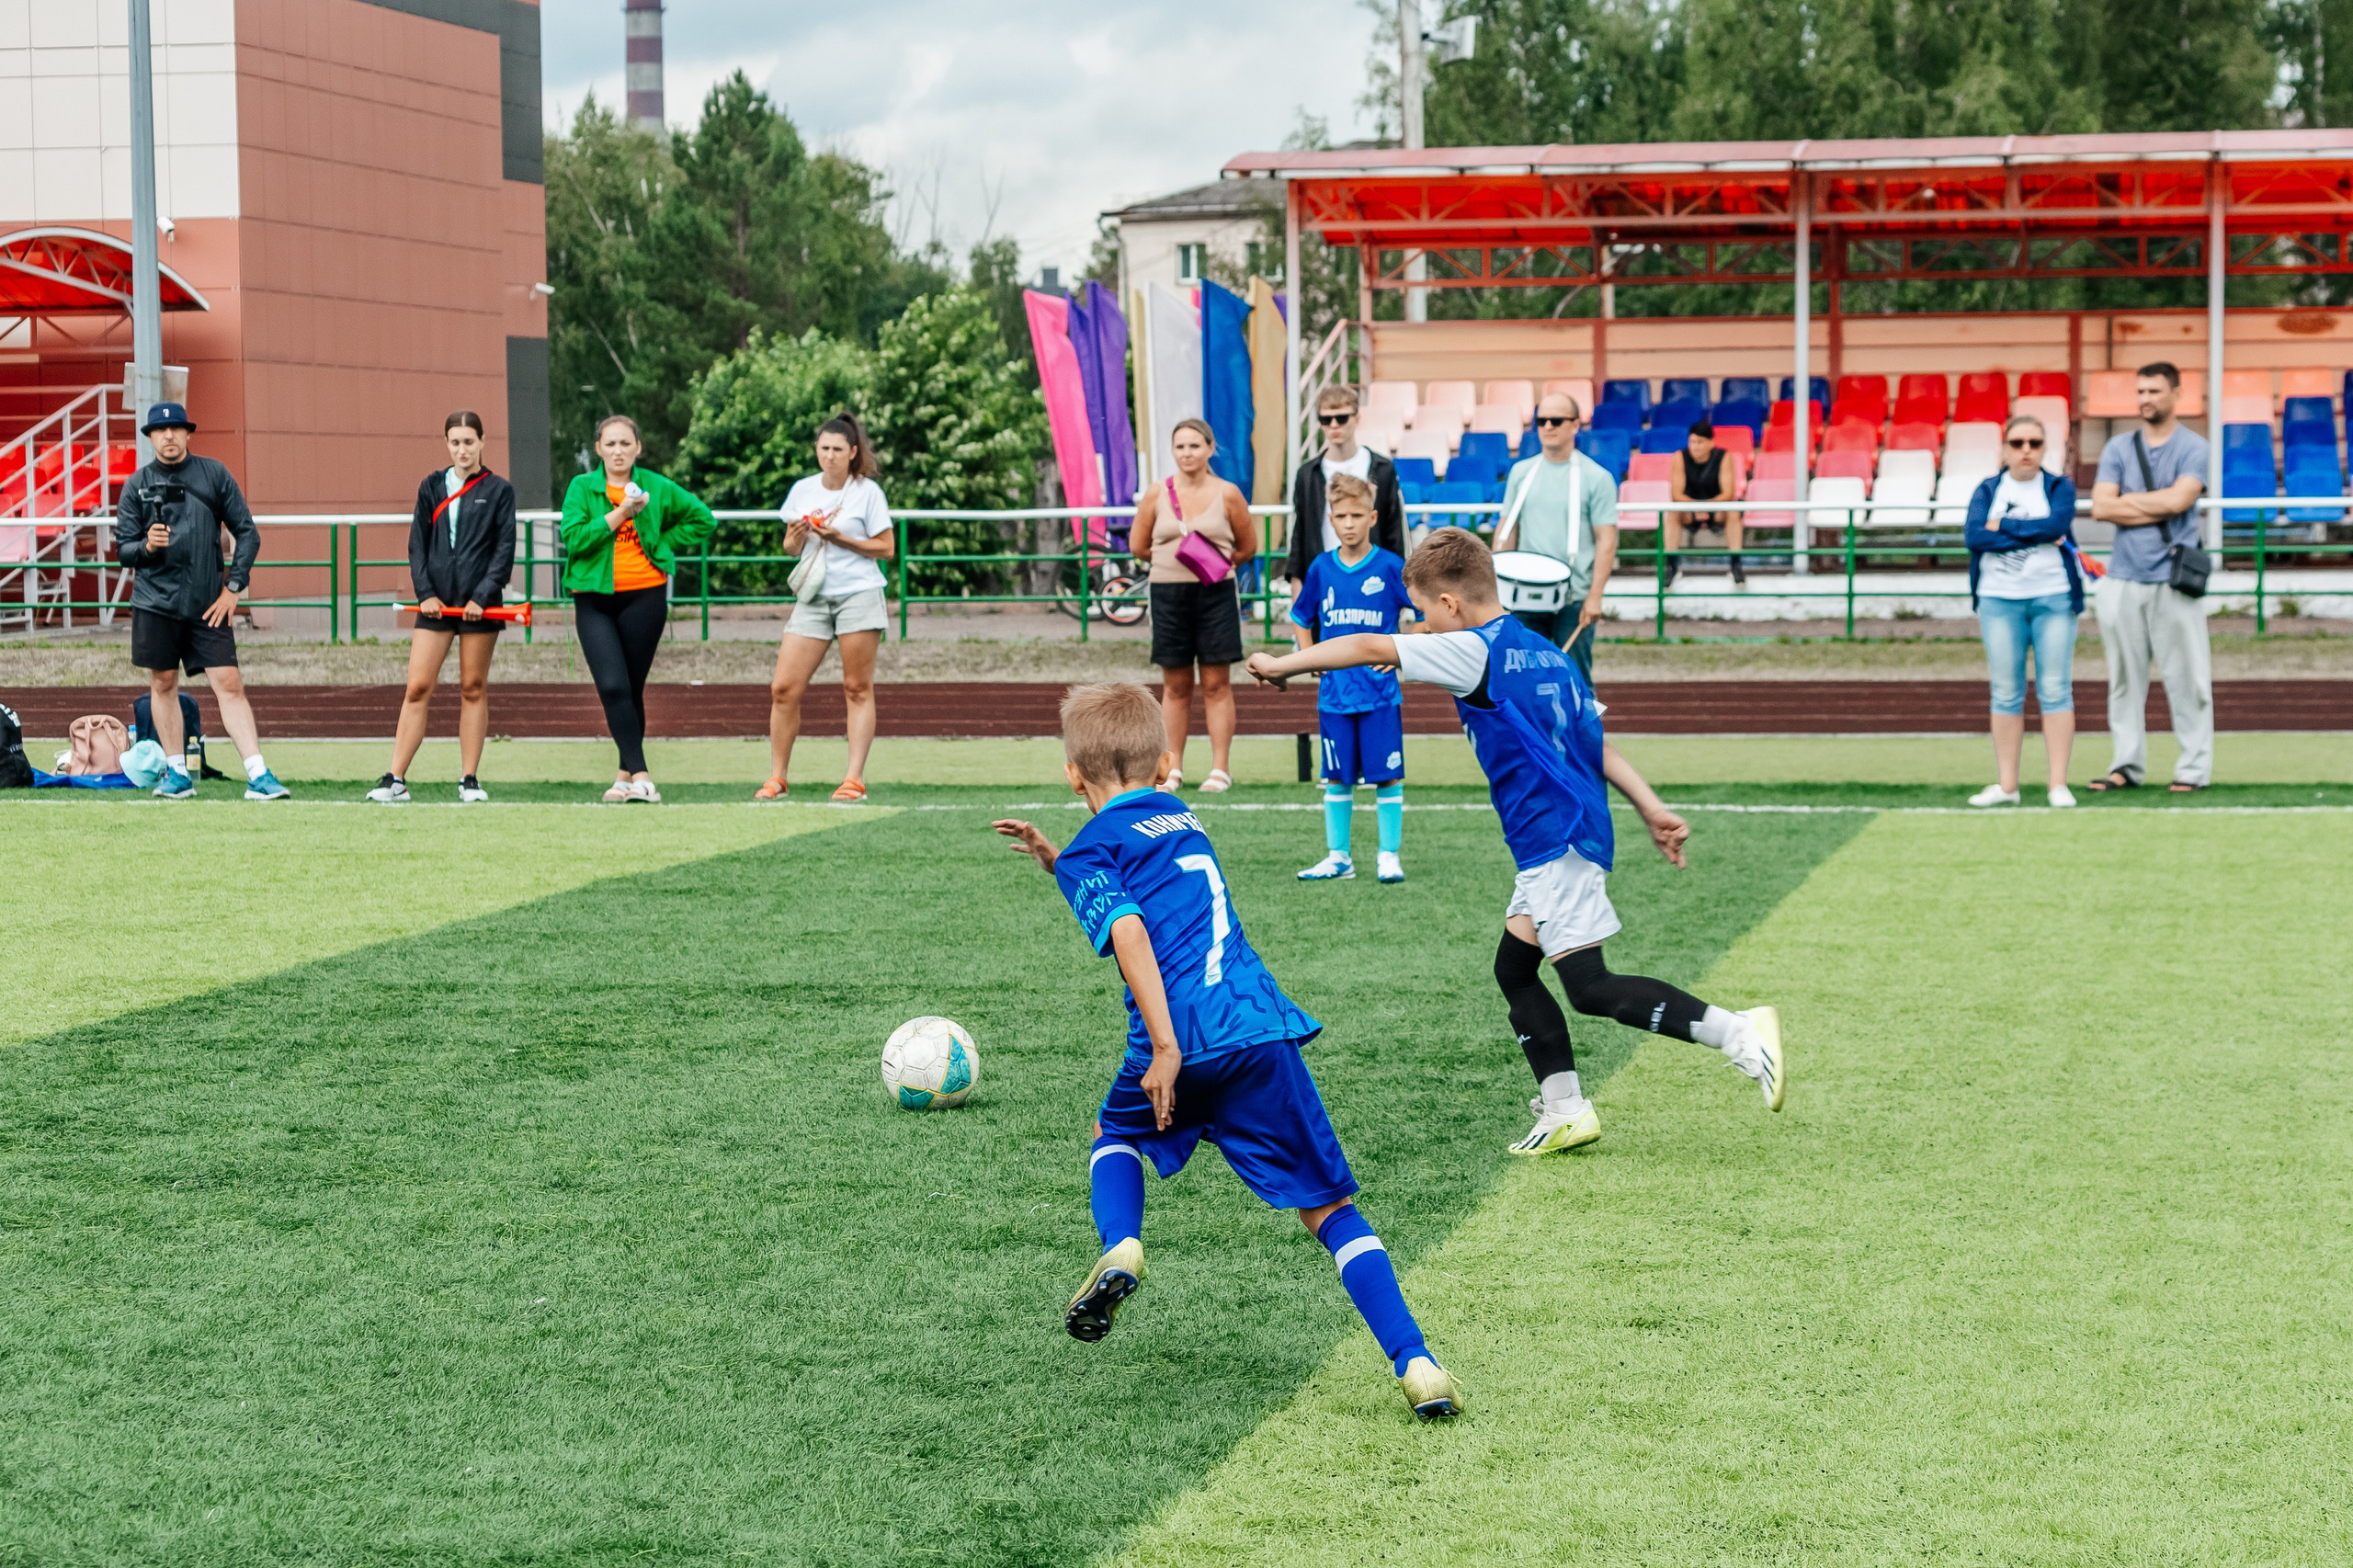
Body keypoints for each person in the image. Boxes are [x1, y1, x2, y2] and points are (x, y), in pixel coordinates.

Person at [991, 682, 1461, 1420]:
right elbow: (1141, 876)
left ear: (1071, 777)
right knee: (1330, 1210)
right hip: (1256, 1028)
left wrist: (1168, 1047)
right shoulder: (1184, 818)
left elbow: (1130, 929)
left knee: (1113, 1135)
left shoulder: (1096, 849)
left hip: (1178, 1040)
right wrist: (1057, 860)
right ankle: (1418, 1363)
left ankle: (1122, 1246)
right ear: (1167, 762)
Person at [1245, 528, 1783, 1156]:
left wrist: (1281, 664)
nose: (1422, 624)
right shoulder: (1546, 653)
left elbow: (1367, 643)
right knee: (1514, 968)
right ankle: (1564, 1109)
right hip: (1563, 832)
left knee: (1589, 986)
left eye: (1424, 611)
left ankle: (1739, 1032)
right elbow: (1595, 741)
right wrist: (1652, 807)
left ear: (1449, 604)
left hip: (1555, 836)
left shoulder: (1473, 651)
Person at [110, 401, 288, 801]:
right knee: (163, 682)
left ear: (188, 433)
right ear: (150, 437)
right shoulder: (136, 485)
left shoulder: (214, 474)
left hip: (209, 603)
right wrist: (146, 546)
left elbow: (248, 533)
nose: (169, 436)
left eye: (176, 429)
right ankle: (176, 774)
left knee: (229, 683)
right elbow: (124, 550)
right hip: (155, 604)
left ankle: (258, 774)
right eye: (160, 430)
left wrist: (233, 589)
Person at [558, 414, 716, 803]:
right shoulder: (582, 487)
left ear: (637, 448)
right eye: (609, 444)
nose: (617, 451)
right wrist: (621, 514)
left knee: (631, 689)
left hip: (645, 596)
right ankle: (642, 775)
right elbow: (574, 540)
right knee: (612, 685)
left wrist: (661, 543)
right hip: (593, 598)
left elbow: (703, 519)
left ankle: (624, 777)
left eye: (625, 444)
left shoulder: (657, 487)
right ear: (598, 449)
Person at [369, 411, 517, 805]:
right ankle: (394, 778)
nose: (462, 449)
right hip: (435, 607)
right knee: (417, 687)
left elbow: (503, 552)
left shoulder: (499, 490)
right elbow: (417, 543)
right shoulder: (432, 486)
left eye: (469, 441)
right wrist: (425, 594)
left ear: (483, 442)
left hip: (479, 609)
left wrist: (481, 597)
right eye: (455, 442)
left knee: (472, 687)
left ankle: (469, 779)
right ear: (446, 443)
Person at [2087, 362, 2213, 793]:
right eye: (2140, 391)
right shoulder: (2118, 448)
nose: (2146, 399)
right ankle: (2126, 766)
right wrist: (2159, 503)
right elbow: (2101, 507)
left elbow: (2182, 500)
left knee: (2187, 681)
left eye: (2155, 391)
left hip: (2173, 581)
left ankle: (2193, 770)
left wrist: (2130, 500)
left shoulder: (2195, 448)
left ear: (2176, 394)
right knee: (2124, 681)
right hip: (2122, 579)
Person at [762, 413, 897, 803]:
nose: (831, 456)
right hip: (814, 595)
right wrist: (794, 537)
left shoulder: (867, 492)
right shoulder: (803, 490)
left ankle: (853, 779)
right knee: (784, 687)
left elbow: (886, 549)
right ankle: (777, 777)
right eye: (824, 449)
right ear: (816, 451)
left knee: (856, 687)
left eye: (839, 449)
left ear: (853, 452)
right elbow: (791, 549)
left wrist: (839, 539)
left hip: (859, 592)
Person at [1289, 474, 1415, 884]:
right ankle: (1339, 857)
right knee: (1337, 776)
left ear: (1372, 517)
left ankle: (1388, 855)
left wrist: (1400, 652)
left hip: (1380, 695)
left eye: (1356, 515)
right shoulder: (1321, 567)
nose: (1348, 523)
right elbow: (1300, 616)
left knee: (1387, 774)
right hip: (1335, 697)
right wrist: (1310, 657)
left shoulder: (1391, 566)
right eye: (1340, 515)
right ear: (1330, 518)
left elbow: (1428, 614)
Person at [1963, 413, 2083, 810]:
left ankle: (2057, 785)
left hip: (2053, 597)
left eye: (2034, 443)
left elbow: (2056, 527)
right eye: (2017, 444)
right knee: (2006, 692)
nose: (2026, 451)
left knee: (2054, 689)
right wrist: (2028, 529)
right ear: (2005, 449)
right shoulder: (1987, 489)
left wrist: (2004, 527)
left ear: (2045, 448)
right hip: (1999, 600)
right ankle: (2008, 785)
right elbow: (1975, 536)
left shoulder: (2059, 486)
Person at [1132, 417, 1257, 792]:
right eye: (1180, 446)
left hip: (1216, 594)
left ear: (1210, 449)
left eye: (1194, 446)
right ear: (1173, 451)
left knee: (1217, 683)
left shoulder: (1228, 493)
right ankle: (1173, 769)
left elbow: (1248, 546)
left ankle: (1220, 769)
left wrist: (1215, 567)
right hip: (1168, 596)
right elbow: (1139, 546)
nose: (1187, 453)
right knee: (1175, 685)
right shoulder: (1156, 493)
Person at [1494, 392, 1619, 684]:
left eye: (1557, 420)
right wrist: (1494, 589)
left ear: (1575, 425)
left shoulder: (1597, 478)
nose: (1548, 426)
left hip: (1573, 598)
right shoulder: (1521, 473)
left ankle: (1583, 732)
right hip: (1522, 595)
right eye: (1541, 420)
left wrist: (1595, 597)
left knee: (1574, 680)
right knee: (1523, 679)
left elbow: (1606, 539)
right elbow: (1507, 529)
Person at [1282, 384, 1405, 588]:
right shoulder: (1308, 474)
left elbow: (1394, 531)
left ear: (1357, 419)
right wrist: (1297, 584)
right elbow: (1300, 533)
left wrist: (1396, 585)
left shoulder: (1381, 469)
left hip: (1373, 578)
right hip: (1321, 578)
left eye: (1341, 418)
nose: (1333, 425)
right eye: (1326, 419)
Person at [1665, 422, 1743, 586]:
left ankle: (1736, 565)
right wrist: (1696, 506)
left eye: (1699, 442)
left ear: (1711, 443)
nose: (1695, 447)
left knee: (1734, 512)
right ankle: (1671, 566)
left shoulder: (1724, 457)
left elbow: (1728, 492)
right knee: (1672, 513)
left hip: (1717, 508)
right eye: (1692, 442)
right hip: (1689, 509)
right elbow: (1676, 494)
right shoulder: (1679, 457)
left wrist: (1708, 506)